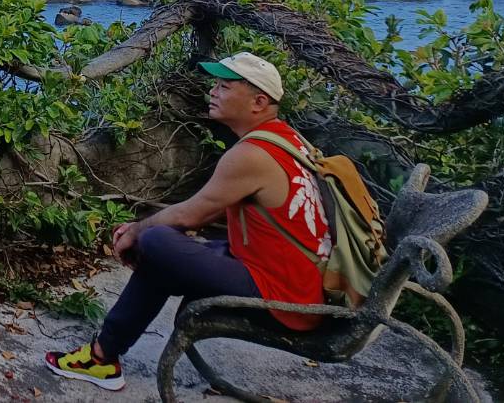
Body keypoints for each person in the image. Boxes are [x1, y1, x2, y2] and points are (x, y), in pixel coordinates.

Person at [44, 52, 330, 392]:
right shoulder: (288, 140)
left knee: (157, 241)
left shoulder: (252, 155)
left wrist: (135, 231)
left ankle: (102, 358)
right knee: (162, 251)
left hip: (284, 298)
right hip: (294, 282)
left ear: (259, 101)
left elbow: (190, 215)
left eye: (225, 86)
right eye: (216, 84)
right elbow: (208, 210)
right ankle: (102, 356)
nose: (213, 91)